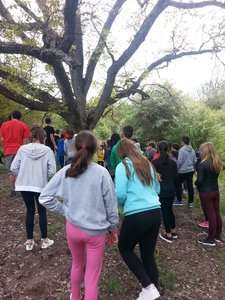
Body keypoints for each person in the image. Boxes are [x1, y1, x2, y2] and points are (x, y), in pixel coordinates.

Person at [39, 130, 118, 300]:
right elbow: (111, 205)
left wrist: (63, 210)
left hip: (73, 229)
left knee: (76, 265)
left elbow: (44, 197)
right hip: (96, 233)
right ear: (96, 149)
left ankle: (75, 296)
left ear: (74, 149)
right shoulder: (102, 173)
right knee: (91, 277)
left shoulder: (66, 171)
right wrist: (113, 228)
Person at [115, 138, 161, 300]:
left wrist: (120, 204)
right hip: (156, 211)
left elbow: (120, 194)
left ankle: (148, 287)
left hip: (137, 214)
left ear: (121, 153)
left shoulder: (123, 166)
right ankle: (152, 291)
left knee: (125, 248)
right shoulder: (147, 164)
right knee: (148, 254)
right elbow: (157, 188)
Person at [10, 127, 56, 251]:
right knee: (42, 211)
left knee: (30, 210)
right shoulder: (47, 151)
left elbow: (13, 167)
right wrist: (41, 172)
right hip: (40, 184)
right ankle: (45, 240)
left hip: (24, 184)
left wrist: (23, 171)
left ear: (31, 137)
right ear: (44, 137)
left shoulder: (22, 149)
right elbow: (52, 171)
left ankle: (29, 241)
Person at [195, 142, 223, 246]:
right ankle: (217, 235)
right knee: (216, 213)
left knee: (211, 215)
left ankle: (210, 239)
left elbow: (200, 181)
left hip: (206, 192)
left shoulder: (202, 164)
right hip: (215, 191)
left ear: (205, 151)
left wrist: (195, 182)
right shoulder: (217, 162)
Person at [152, 141, 179, 243]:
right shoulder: (172, 162)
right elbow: (177, 177)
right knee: (170, 210)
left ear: (158, 149)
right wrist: (176, 190)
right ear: (168, 149)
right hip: (171, 189)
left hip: (161, 190)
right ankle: (173, 231)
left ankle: (168, 234)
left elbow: (153, 178)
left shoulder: (155, 163)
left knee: (164, 211)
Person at [0, 111, 31, 197]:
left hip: (8, 150)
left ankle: (12, 190)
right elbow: (26, 140)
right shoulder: (23, 125)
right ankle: (18, 190)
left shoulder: (4, 125)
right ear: (20, 118)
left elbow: (2, 139)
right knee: (18, 171)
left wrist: (5, 147)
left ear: (12, 116)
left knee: (10, 171)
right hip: (19, 150)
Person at [174, 136, 197, 207]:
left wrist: (177, 169)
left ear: (183, 142)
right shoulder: (192, 150)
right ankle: (190, 202)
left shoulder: (182, 150)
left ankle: (179, 200)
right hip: (190, 170)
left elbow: (179, 162)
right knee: (190, 186)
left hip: (182, 171)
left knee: (178, 184)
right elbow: (195, 160)